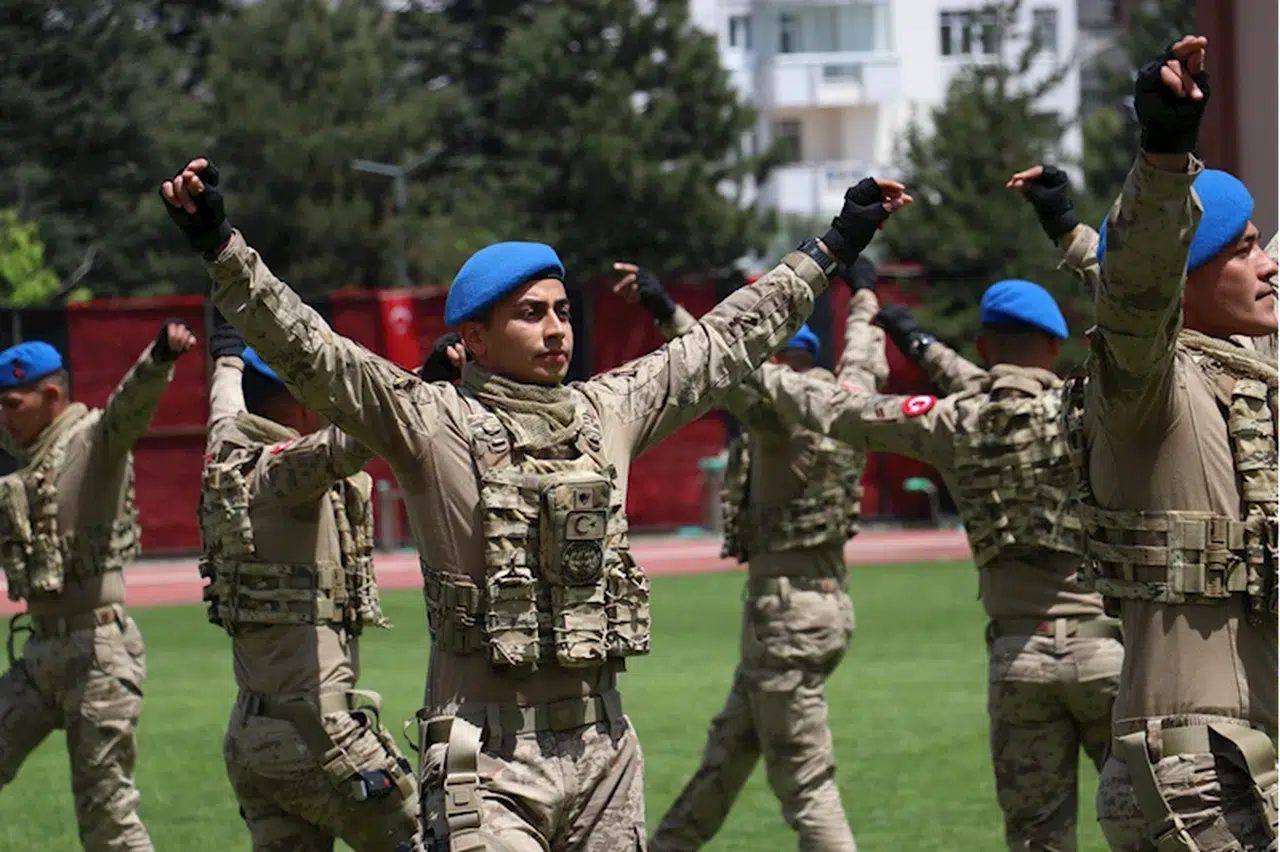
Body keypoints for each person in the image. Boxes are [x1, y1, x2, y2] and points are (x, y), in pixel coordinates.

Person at [158, 158, 910, 852]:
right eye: (529, 313)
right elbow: (310, 351)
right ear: (474, 338)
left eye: (560, 310)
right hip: (482, 765)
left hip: (605, 756)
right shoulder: (430, 421)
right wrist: (221, 244)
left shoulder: (608, 409)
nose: (555, 328)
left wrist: (837, 242)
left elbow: (723, 342)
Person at [729, 272, 1120, 850]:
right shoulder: (1087, 412)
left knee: (1038, 838)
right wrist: (922, 344)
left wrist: (735, 360)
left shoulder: (953, 423)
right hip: (1107, 651)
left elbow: (842, 408)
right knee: (1145, 828)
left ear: (985, 347)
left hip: (1018, 659)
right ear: (1056, 344)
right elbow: (1014, 390)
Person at [1066, 36, 1278, 852]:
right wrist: (1163, 159)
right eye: (1245, 249)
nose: (1267, 267)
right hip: (1195, 769)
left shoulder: (1241, 369)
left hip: (1233, 757)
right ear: (1186, 278)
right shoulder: (1148, 385)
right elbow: (1134, 288)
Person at [614, 264, 885, 852]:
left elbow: (723, 370)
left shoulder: (779, 413)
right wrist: (864, 294)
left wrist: (664, 311)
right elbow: (865, 352)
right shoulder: (849, 400)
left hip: (784, 620)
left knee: (806, 786)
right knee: (726, 758)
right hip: (821, 608)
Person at [200, 316, 420, 851]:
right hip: (320, 738)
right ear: (297, 404)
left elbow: (223, 400)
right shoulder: (283, 473)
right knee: (433, 840)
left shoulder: (225, 451)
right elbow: (350, 443)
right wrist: (424, 379)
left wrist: (227, 356)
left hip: (252, 735)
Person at [0, 322, 196, 852]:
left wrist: (158, 359)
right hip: (41, 655)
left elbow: (129, 407)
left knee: (107, 821)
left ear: (51, 396)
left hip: (97, 656)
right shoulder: (29, 464)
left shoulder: (94, 442)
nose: (2, 417)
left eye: (11, 404)